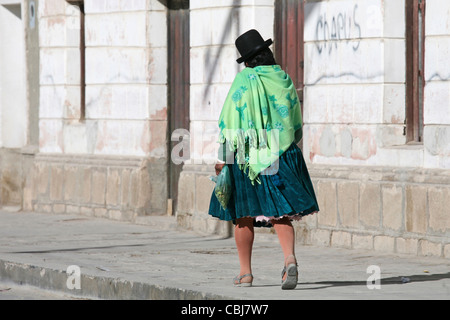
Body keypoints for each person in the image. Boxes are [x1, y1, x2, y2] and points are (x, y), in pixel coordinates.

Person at [208, 29, 319, 290]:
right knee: (282, 212)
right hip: (281, 152)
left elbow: (232, 121)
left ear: (246, 61)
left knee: (243, 215)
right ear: (267, 53)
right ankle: (289, 260)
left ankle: (245, 273)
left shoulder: (245, 79)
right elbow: (294, 120)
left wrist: (223, 159)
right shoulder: (283, 77)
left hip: (247, 157)